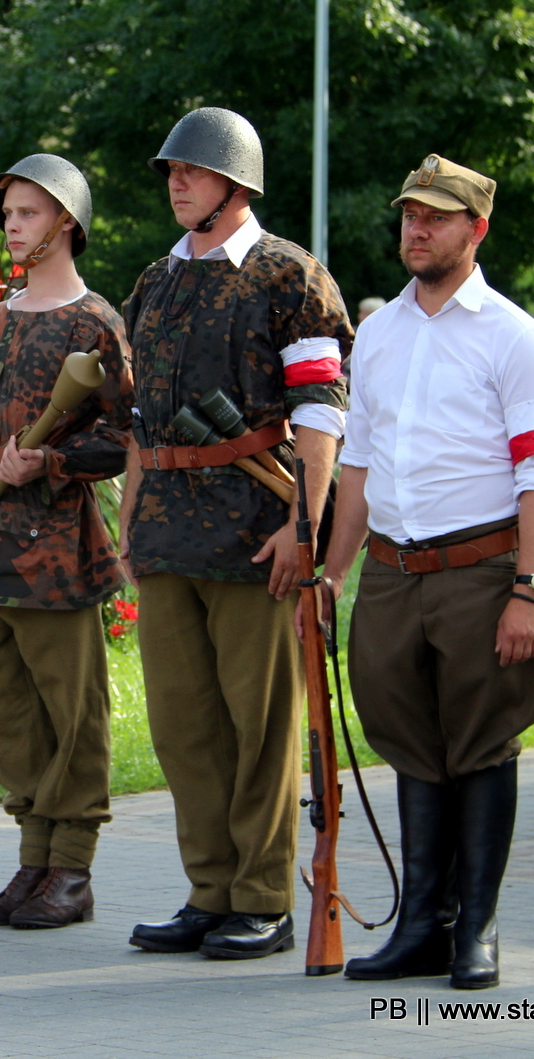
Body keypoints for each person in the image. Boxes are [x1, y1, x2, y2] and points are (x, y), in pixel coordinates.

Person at [321, 155, 534, 990]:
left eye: (435, 217)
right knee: (412, 741)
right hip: (392, 571)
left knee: (484, 739)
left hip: (481, 571)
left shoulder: (514, 338)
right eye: (410, 215)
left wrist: (528, 590)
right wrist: (333, 573)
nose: (416, 230)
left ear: (476, 229)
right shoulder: (380, 333)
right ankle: (423, 925)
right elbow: (358, 462)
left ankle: (476, 929)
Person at [118, 107, 354, 960]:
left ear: (236, 183)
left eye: (193, 170)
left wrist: (305, 526)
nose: (176, 183)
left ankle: (263, 898)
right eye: (172, 171)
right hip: (167, 534)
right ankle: (209, 890)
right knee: (184, 727)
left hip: (257, 536)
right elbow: (141, 418)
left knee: (260, 728)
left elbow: (321, 411)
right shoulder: (156, 281)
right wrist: (129, 519)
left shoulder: (290, 276)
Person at [0, 154, 133, 929]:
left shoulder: (95, 324)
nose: (12, 225)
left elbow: (125, 437)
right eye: (8, 213)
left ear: (65, 222)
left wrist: (53, 462)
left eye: (28, 212)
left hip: (55, 551)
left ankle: (71, 868)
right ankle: (34, 859)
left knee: (71, 713)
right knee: (6, 713)